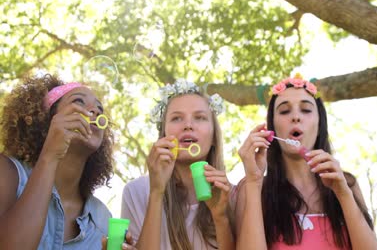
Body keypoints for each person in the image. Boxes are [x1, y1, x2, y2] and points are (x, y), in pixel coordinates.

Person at [236, 74, 377, 249]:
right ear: (272, 129)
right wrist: (253, 181)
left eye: (306, 109)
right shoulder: (253, 188)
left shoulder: (348, 185)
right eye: (284, 111)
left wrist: (343, 195)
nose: (296, 117)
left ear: (320, 124)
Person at [0, 74, 123, 249]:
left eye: (99, 109)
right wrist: (50, 154)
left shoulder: (103, 218)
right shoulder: (8, 173)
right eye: (79, 101)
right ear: (45, 119)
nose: (94, 111)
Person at [121, 79, 235, 250]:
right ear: (163, 134)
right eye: (176, 118)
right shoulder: (136, 192)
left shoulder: (232, 196)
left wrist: (220, 218)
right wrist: (156, 191)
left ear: (213, 138)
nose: (188, 125)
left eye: (200, 117)